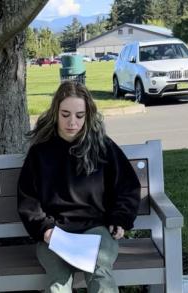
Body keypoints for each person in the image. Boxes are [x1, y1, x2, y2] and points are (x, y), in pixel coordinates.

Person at [17, 81, 141, 292]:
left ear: (88, 115)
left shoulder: (103, 147)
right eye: (65, 114)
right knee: (58, 281)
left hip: (95, 230)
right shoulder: (40, 153)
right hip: (55, 234)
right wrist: (44, 229)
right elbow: (28, 200)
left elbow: (127, 187)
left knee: (100, 271)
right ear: (56, 112)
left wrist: (120, 219)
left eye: (79, 115)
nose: (72, 122)